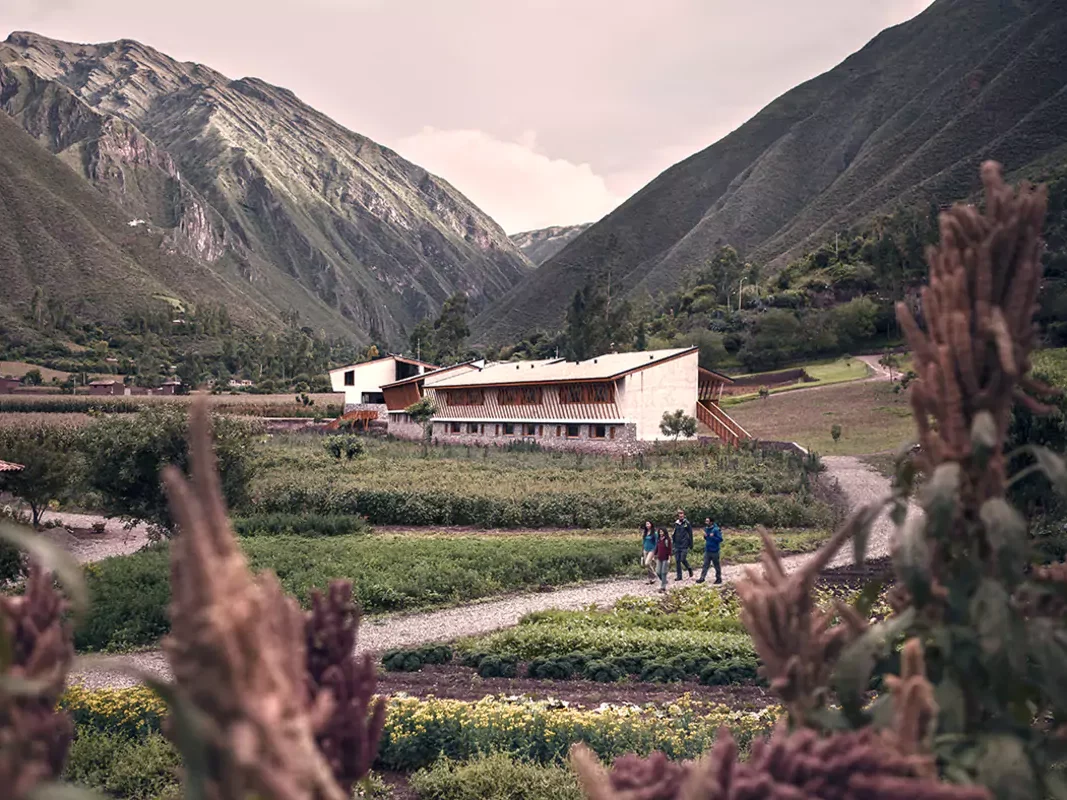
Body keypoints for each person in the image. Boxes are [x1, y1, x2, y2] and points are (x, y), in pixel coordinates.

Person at [696, 517, 723, 584]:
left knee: (716, 565)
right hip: (707, 550)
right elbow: (707, 538)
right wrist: (705, 536)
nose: (706, 522)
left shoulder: (716, 530)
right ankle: (702, 578)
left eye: (707, 521)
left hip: (715, 551)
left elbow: (720, 539)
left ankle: (718, 578)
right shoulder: (706, 529)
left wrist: (713, 537)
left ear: (711, 522)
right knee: (705, 565)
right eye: (706, 521)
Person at [672, 509, 693, 581]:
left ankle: (689, 568)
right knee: (677, 561)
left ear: (684, 515)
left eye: (682, 514)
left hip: (684, 544)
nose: (680, 515)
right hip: (677, 544)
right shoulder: (676, 523)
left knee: (682, 559)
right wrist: (673, 543)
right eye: (679, 514)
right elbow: (674, 533)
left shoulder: (687, 523)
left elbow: (690, 534)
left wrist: (691, 544)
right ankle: (679, 576)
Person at [654, 527, 672, 593]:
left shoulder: (667, 540)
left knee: (663, 572)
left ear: (665, 532)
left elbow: (669, 549)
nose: (661, 533)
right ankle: (664, 581)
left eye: (662, 532)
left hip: (665, 558)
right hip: (659, 558)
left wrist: (669, 558)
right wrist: (654, 555)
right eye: (660, 532)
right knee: (658, 572)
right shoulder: (659, 539)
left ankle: (663, 587)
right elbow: (657, 548)